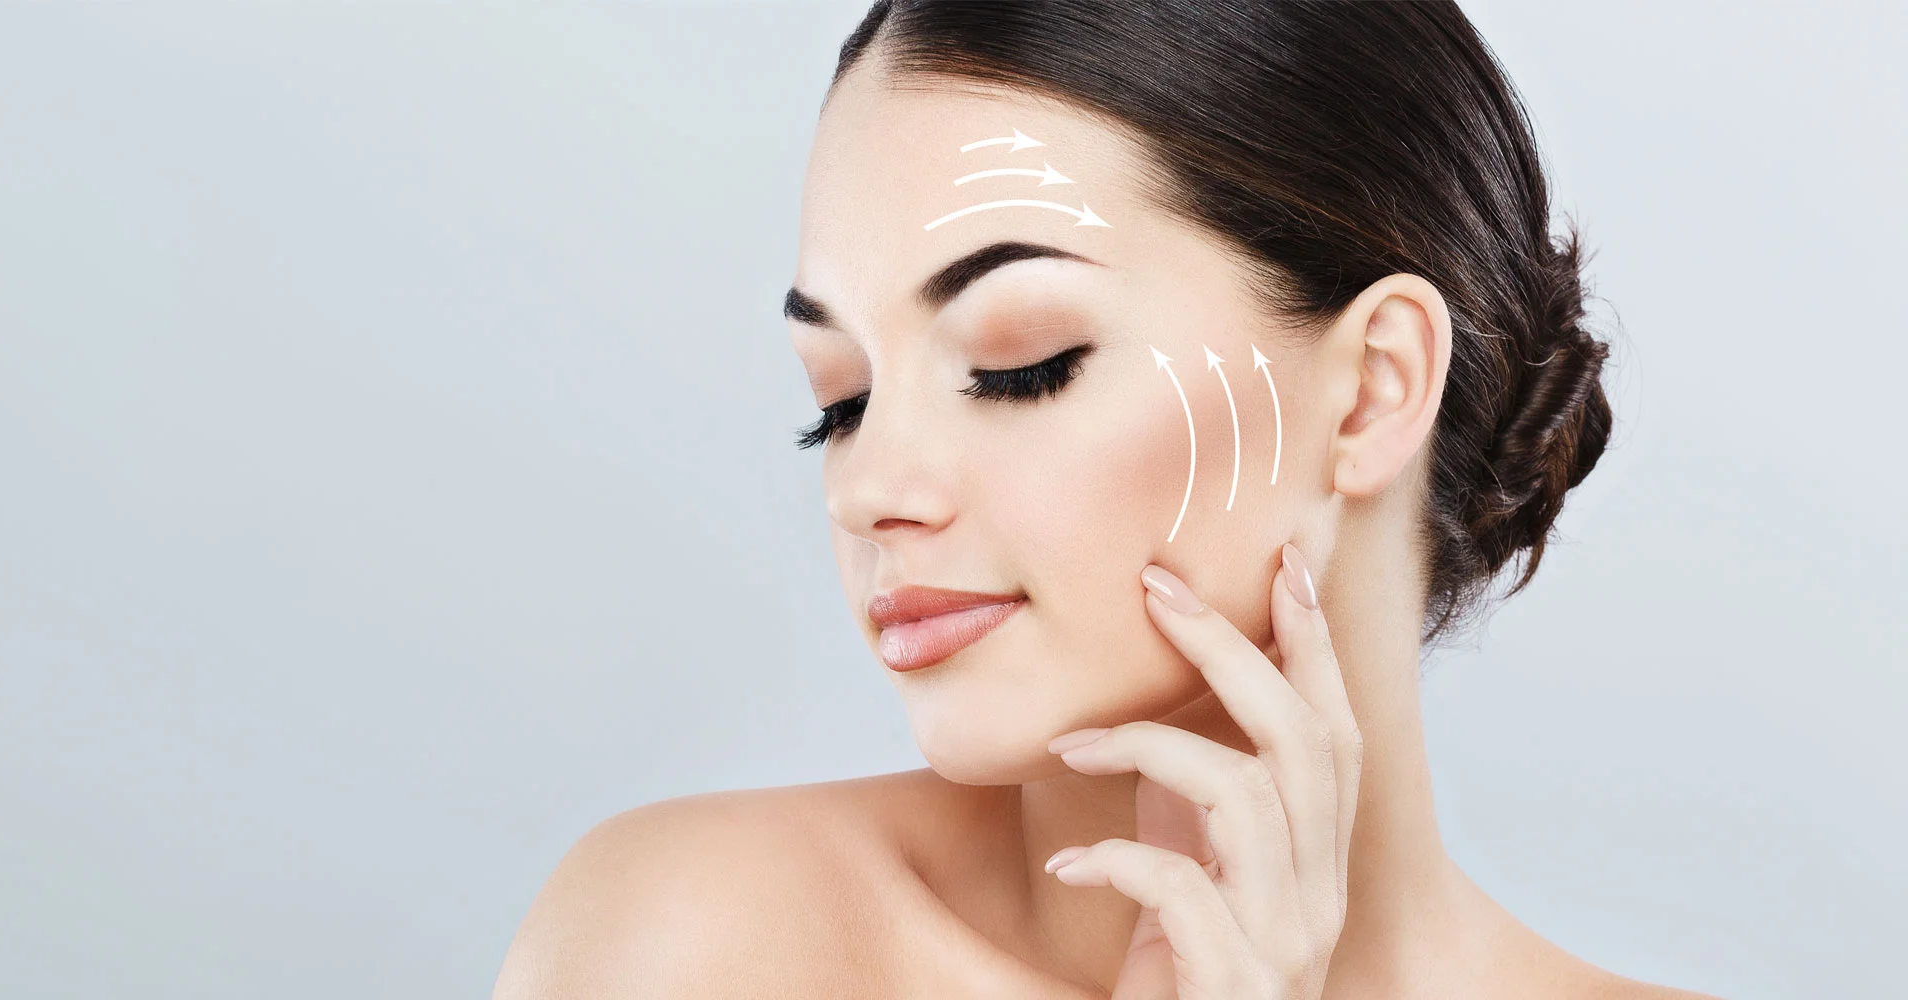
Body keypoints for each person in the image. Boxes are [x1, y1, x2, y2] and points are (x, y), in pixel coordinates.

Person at [495, 3, 1719, 997]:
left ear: (1368, 391)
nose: (867, 490)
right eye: (842, 400)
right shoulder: (704, 942)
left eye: (1021, 366)